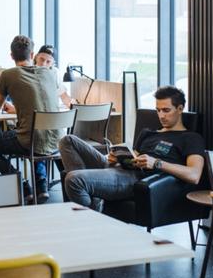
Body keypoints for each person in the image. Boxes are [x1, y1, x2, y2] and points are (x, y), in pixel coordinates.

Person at [59, 86, 203, 211]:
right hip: (117, 169)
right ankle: (93, 195)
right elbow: (133, 157)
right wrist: (117, 158)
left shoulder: (190, 138)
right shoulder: (148, 133)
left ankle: (92, 216)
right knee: (67, 140)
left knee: (74, 179)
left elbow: (194, 175)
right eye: (158, 110)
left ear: (180, 109)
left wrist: (157, 163)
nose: (161, 115)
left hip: (136, 179)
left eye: (166, 110)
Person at [0, 35, 62, 203]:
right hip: (56, 140)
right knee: (34, 133)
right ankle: (41, 186)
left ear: (11, 56)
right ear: (32, 55)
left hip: (29, 140)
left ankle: (21, 183)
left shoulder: (8, 75)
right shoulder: (50, 73)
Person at [34, 44, 73, 109]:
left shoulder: (55, 73)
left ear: (52, 63)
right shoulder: (28, 72)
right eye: (41, 59)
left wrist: (76, 107)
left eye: (48, 61)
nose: (43, 64)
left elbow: (63, 96)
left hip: (52, 111)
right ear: (36, 57)